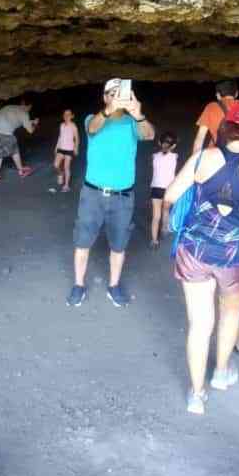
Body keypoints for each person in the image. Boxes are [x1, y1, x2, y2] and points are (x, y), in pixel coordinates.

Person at [165, 101, 239, 415]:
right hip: (236, 256)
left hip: (195, 251)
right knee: (229, 315)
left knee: (199, 325)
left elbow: (170, 194)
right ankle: (222, 373)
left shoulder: (203, 157)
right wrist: (237, 211)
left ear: (225, 127)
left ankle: (196, 396)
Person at [66, 79, 155, 308]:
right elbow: (92, 128)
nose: (117, 97)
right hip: (92, 194)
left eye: (121, 93)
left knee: (119, 245)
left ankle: (113, 286)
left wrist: (138, 114)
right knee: (83, 241)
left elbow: (149, 135)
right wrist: (108, 110)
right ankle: (78, 284)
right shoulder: (92, 119)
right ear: (105, 97)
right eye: (112, 94)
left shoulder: (131, 123)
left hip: (123, 197)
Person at [192, 79, 239, 157]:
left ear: (218, 95)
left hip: (216, 154)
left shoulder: (211, 107)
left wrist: (195, 161)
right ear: (236, 93)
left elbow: (200, 138)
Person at [0, 95, 39, 182]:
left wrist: (30, 122)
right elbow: (30, 130)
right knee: (14, 150)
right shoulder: (24, 114)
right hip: (4, 132)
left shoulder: (11, 106)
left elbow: (20, 121)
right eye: (30, 107)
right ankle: (21, 171)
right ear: (29, 106)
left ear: (22, 103)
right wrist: (35, 123)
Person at [150, 131, 178, 248]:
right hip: (168, 188)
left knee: (156, 216)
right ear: (174, 146)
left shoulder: (154, 156)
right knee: (166, 210)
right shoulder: (175, 156)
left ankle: (154, 240)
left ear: (159, 143)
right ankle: (164, 229)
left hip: (156, 188)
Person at [52, 108, 80, 193]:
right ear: (63, 116)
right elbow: (60, 136)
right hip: (61, 148)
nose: (66, 116)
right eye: (65, 114)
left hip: (69, 150)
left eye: (68, 114)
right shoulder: (61, 125)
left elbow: (77, 138)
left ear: (72, 116)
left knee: (66, 167)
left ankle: (66, 186)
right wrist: (56, 146)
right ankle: (60, 174)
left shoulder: (73, 126)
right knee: (56, 165)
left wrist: (76, 148)